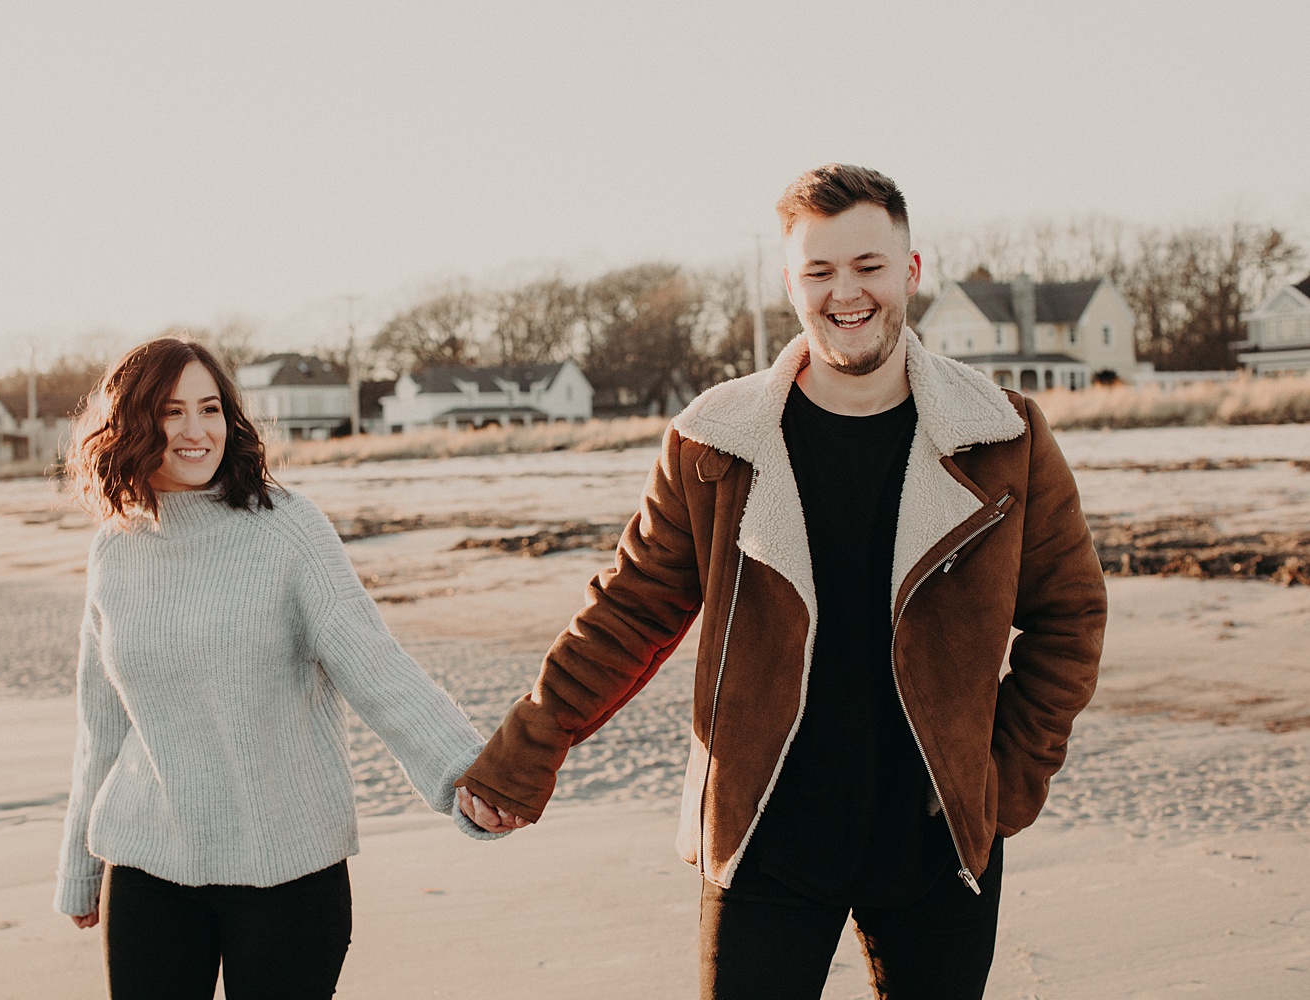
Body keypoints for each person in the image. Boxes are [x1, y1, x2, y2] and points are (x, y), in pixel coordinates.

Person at [456, 163, 1107, 998]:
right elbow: (629, 612)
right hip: (762, 835)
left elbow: (1071, 615)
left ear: (910, 271)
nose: (847, 293)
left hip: (935, 841)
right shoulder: (715, 442)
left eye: (869, 267)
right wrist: (528, 748)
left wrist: (1004, 782)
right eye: (820, 271)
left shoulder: (1003, 434)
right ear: (790, 284)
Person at [54, 337, 496, 999]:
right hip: (148, 865)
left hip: (287, 871)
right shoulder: (114, 547)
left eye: (211, 409)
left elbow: (376, 668)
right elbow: (101, 721)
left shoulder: (288, 529)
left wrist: (471, 775)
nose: (198, 431)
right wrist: (80, 866)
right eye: (172, 412)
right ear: (134, 424)